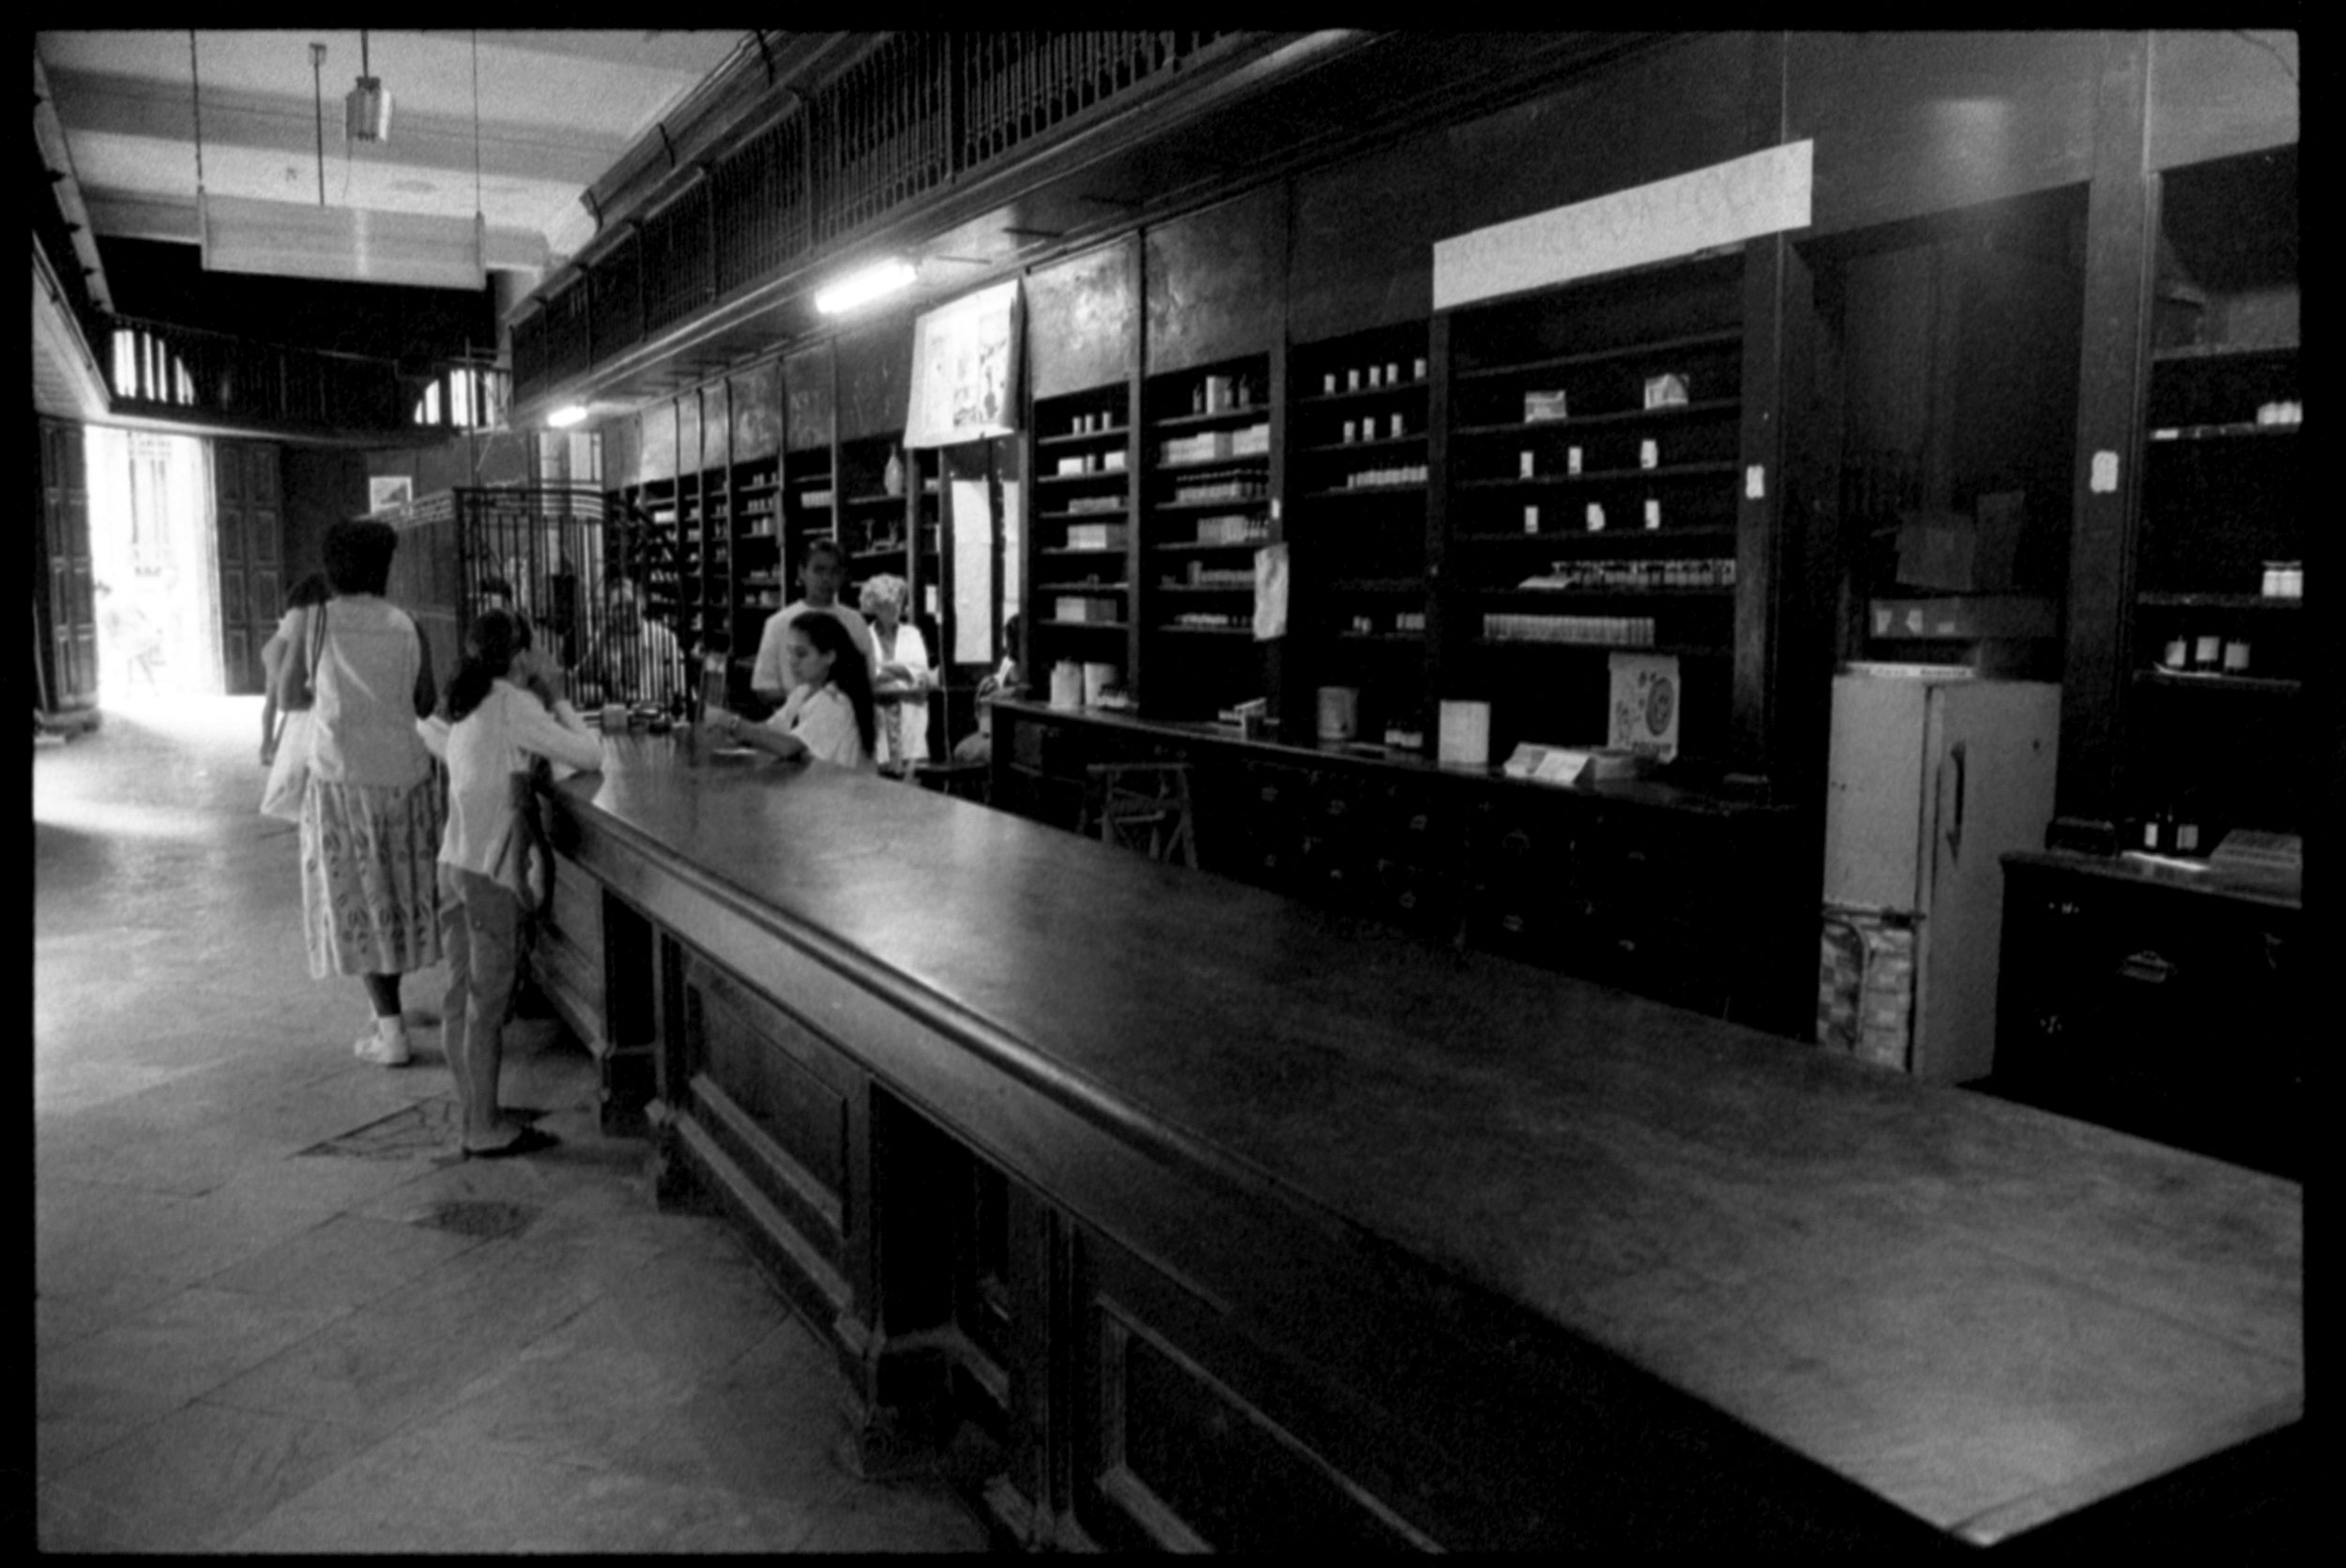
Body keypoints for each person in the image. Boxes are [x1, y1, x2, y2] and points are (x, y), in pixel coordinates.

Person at [417, 608, 603, 1158]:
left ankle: (476, 1107)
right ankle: (483, 1126)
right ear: (520, 655)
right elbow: (588, 754)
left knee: (460, 997)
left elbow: (442, 740)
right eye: (534, 648)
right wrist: (561, 696)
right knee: (488, 1007)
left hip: (454, 863)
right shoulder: (512, 704)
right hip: (489, 876)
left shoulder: (469, 699)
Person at [269, 517, 444, 1067]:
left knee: (361, 906)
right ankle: (387, 1008)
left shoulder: (316, 620)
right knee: (394, 899)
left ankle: (391, 1032)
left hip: (345, 784)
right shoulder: (407, 623)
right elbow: (423, 702)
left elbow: (291, 698)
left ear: (332, 567)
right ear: (383, 568)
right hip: (407, 782)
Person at [709, 611, 876, 770]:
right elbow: (770, 729)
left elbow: (789, 746)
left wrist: (734, 724)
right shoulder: (802, 693)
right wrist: (733, 730)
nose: (792, 662)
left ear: (829, 657)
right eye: (790, 652)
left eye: (801, 654)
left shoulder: (836, 702)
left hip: (835, 794)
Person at [749, 539, 871, 708]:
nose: (826, 578)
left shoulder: (855, 621)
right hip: (793, 726)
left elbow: (868, 679)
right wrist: (806, 705)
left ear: (842, 576)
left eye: (834, 572)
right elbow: (764, 687)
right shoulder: (778, 623)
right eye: (819, 570)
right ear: (802, 572)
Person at [860, 573, 932, 772]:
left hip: (911, 716)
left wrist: (885, 668)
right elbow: (868, 678)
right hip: (879, 719)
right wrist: (901, 672)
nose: (896, 608)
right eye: (889, 604)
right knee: (882, 785)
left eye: (899, 601)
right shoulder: (865, 636)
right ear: (875, 607)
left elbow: (920, 675)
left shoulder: (912, 635)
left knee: (912, 778)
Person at [259, 572, 333, 765]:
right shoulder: (312, 614)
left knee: (271, 703)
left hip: (271, 650)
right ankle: (277, 749)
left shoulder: (294, 611)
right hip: (283, 656)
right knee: (293, 703)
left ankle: (266, 745)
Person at [584, 575, 686, 709]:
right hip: (617, 718)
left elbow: (680, 689)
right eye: (617, 608)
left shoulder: (664, 638)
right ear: (610, 612)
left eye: (630, 605)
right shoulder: (604, 639)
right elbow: (581, 679)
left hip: (653, 717)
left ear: (642, 603)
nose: (625, 613)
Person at [952, 613, 1023, 764]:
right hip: (993, 727)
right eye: (1007, 641)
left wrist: (1014, 692)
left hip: (1019, 731)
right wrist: (988, 685)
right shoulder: (1009, 665)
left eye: (1012, 642)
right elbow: (995, 686)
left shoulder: (1036, 668)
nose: (1008, 648)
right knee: (960, 750)